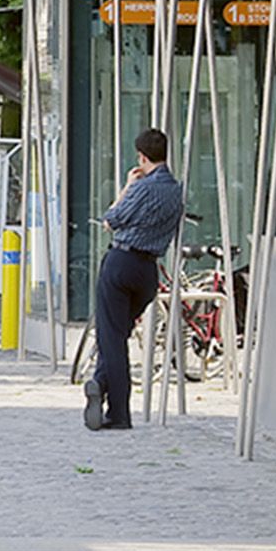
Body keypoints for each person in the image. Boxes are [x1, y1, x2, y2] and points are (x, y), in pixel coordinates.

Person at [85, 127, 184, 431]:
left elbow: (111, 219)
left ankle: (117, 411)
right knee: (118, 333)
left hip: (121, 262)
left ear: (141, 157)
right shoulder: (176, 190)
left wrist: (127, 186)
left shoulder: (142, 187)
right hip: (148, 271)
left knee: (111, 337)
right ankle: (100, 383)